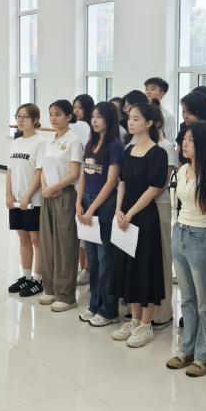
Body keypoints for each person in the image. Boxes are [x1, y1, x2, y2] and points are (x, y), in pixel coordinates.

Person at [166, 121, 206, 377]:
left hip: (202, 236)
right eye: (184, 139)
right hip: (180, 232)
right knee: (187, 299)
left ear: (203, 144)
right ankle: (187, 349)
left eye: (190, 140)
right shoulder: (182, 170)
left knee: (204, 300)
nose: (184, 144)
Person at [111, 103, 169, 348]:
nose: (130, 122)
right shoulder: (129, 149)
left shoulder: (158, 153)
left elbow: (154, 188)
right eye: (129, 118)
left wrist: (131, 212)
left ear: (149, 123)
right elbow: (122, 182)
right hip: (125, 215)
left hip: (144, 217)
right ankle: (134, 320)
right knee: (128, 267)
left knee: (145, 267)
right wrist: (119, 210)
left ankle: (146, 324)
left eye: (136, 118)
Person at [76, 102, 123, 327]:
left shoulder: (115, 146)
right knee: (92, 257)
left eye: (99, 117)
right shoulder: (90, 143)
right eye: (93, 116)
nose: (94, 120)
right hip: (87, 201)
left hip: (104, 204)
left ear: (109, 120)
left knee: (106, 259)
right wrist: (79, 202)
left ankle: (109, 309)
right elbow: (83, 175)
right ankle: (94, 304)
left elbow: (111, 182)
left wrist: (92, 208)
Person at [38, 100, 83, 312]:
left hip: (66, 194)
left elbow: (75, 173)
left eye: (57, 114)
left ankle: (66, 295)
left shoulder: (74, 141)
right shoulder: (50, 140)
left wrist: (55, 187)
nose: (53, 118)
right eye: (51, 114)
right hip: (48, 193)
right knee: (48, 241)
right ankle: (50, 288)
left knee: (65, 243)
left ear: (69, 117)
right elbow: (43, 168)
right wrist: (45, 187)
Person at [6, 103, 46, 298]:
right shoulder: (16, 142)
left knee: (36, 239)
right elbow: (9, 170)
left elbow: (39, 172)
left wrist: (28, 196)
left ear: (35, 120)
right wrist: (8, 194)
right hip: (16, 201)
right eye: (18, 116)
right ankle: (26, 276)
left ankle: (38, 279)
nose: (20, 120)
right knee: (22, 238)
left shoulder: (41, 142)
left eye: (24, 117)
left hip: (33, 201)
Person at [153, 110, 177, 329]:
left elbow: (162, 182)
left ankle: (163, 311)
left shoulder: (166, 146)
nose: (131, 122)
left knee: (161, 257)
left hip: (158, 205)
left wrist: (141, 200)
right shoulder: (133, 144)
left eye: (136, 118)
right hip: (137, 207)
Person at [72, 94, 95, 286]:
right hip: (75, 185)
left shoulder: (88, 129)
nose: (76, 111)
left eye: (79, 107)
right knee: (79, 232)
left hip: (87, 184)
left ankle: (88, 269)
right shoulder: (74, 127)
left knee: (87, 232)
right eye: (74, 107)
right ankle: (82, 267)